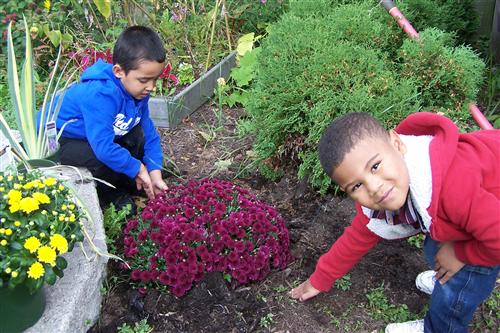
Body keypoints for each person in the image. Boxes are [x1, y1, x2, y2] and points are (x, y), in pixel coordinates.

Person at [289, 112, 500, 332]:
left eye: (375, 166)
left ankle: (440, 325)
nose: (374, 187)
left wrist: (460, 254)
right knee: (435, 244)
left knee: (458, 288)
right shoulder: (403, 187)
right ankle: (444, 276)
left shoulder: (453, 188)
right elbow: (356, 237)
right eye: (356, 186)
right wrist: (319, 279)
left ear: (397, 143)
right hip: (481, 216)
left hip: (492, 224)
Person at [42, 26, 168, 213]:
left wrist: (154, 170)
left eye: (155, 79)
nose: (151, 87)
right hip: (58, 140)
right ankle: (110, 194)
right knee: (97, 157)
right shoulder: (101, 94)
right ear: (119, 71)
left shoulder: (139, 91)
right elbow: (102, 148)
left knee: (136, 133)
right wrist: (139, 168)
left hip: (91, 133)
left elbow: (149, 134)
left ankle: (134, 182)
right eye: (144, 80)